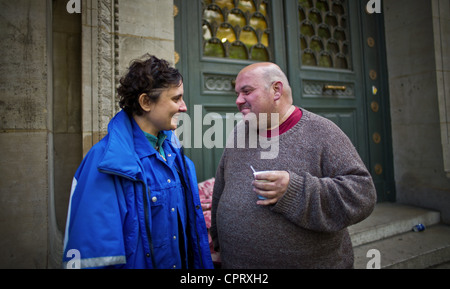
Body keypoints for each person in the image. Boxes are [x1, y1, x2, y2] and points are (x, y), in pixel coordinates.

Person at [210, 62, 377, 269]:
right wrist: (218, 240)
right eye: (237, 93)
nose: (238, 100)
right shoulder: (239, 131)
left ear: (276, 90)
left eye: (247, 92)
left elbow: (362, 195)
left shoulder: (323, 132)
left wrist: (294, 191)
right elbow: (221, 188)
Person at [62, 54, 213, 269]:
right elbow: (93, 257)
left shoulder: (174, 154)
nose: (184, 107)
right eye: (176, 99)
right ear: (145, 102)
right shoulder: (105, 162)